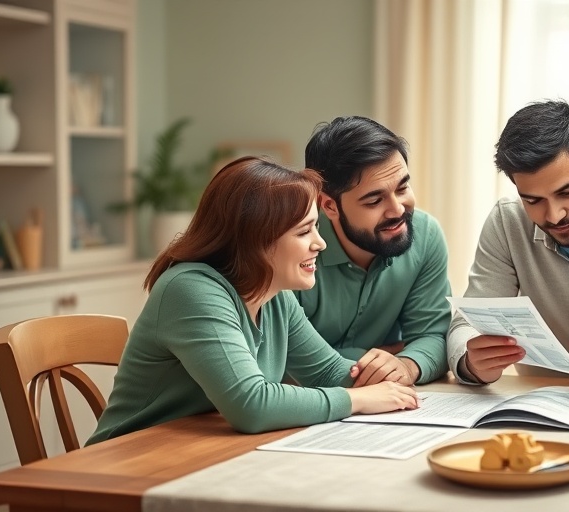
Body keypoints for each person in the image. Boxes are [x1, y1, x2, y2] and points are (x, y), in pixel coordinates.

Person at [88, 157, 418, 444]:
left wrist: (389, 377)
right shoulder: (190, 290)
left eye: (316, 229)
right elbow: (252, 405)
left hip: (201, 456)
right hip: (124, 469)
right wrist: (358, 398)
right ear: (254, 240)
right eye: (304, 232)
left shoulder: (275, 297)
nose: (320, 244)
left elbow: (329, 371)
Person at [447, 100, 569, 384]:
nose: (554, 215)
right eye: (533, 200)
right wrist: (471, 362)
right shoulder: (507, 221)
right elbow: (465, 325)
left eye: (568, 192)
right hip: (539, 402)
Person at [297, 116, 451, 387]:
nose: (398, 210)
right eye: (375, 200)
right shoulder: (290, 247)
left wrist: (405, 364)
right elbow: (285, 361)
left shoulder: (425, 235)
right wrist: (372, 357)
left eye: (402, 187)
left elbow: (435, 337)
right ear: (329, 206)